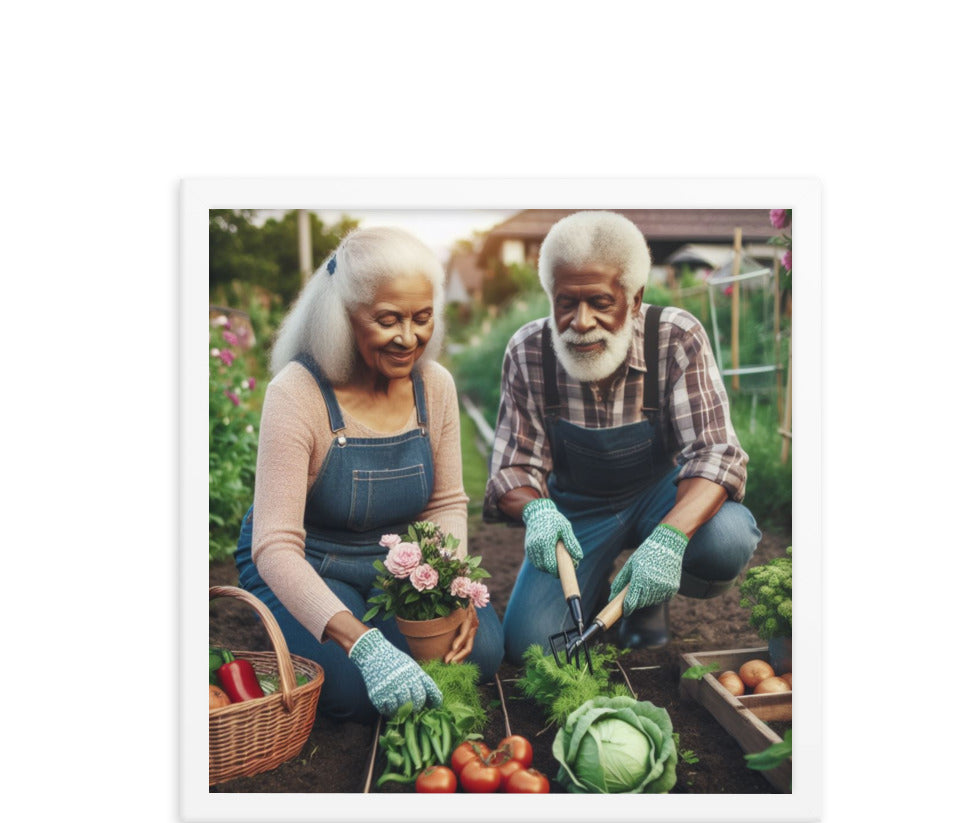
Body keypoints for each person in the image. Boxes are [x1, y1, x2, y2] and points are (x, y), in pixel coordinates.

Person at [236, 226, 503, 724]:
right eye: (388, 320)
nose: (409, 338)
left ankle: (370, 627)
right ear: (343, 318)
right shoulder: (297, 392)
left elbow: (445, 504)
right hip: (308, 562)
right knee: (350, 693)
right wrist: (363, 645)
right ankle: (305, 621)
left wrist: (454, 588)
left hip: (393, 568)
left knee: (482, 652)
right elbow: (274, 545)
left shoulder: (434, 386)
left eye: (422, 318)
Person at [484, 211, 761, 663]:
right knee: (531, 645)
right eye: (565, 303)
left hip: (662, 499)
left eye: (599, 302)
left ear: (633, 300)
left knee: (725, 540)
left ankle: (646, 598)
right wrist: (536, 509)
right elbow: (514, 465)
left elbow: (716, 453)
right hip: (575, 513)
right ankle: (595, 588)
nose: (580, 321)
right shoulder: (529, 350)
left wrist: (669, 539)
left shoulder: (675, 337)